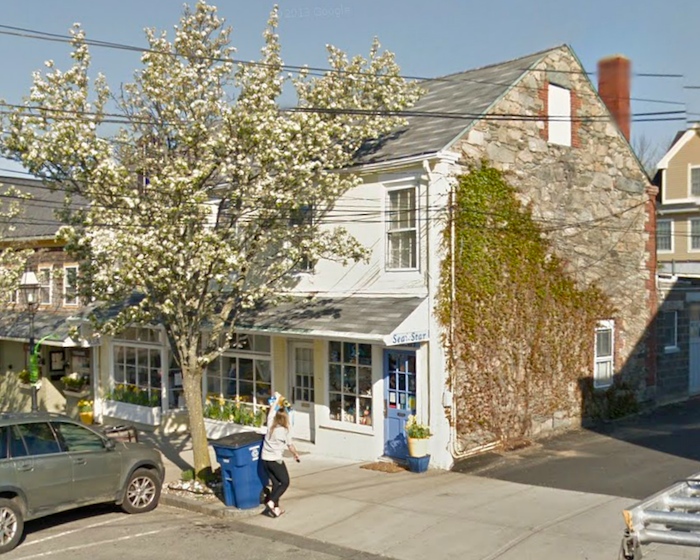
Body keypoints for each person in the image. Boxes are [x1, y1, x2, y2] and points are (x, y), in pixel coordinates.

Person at [261, 392, 299, 517]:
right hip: (275, 460)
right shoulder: (284, 430)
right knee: (285, 482)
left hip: (265, 459)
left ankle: (276, 508)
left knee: (276, 484)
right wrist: (295, 454)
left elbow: (271, 411)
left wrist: (276, 399)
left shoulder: (270, 424)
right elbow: (290, 445)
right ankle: (271, 501)